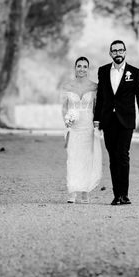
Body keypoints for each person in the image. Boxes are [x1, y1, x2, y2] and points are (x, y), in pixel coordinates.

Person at [93, 40, 139, 206]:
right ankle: (116, 195)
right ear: (110, 53)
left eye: (120, 50)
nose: (118, 53)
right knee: (113, 157)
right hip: (108, 120)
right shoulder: (103, 71)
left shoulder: (135, 72)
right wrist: (97, 119)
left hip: (126, 121)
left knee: (123, 155)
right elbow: (101, 97)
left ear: (125, 52)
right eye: (114, 51)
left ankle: (124, 195)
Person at [60, 56, 103, 204]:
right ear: (75, 68)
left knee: (87, 159)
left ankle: (85, 192)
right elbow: (64, 107)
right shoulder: (67, 87)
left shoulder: (94, 87)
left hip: (88, 127)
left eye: (85, 66)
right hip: (73, 128)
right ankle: (72, 192)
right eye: (79, 66)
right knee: (72, 158)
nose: (82, 69)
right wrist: (67, 120)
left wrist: (98, 126)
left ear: (88, 69)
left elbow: (98, 108)